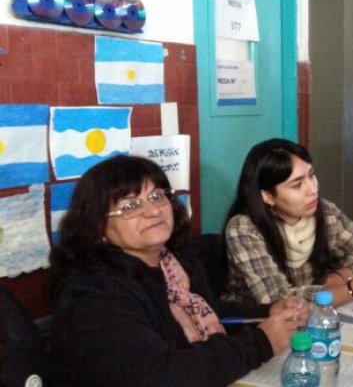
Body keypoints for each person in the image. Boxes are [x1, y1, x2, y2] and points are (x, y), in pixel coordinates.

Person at [47, 155, 307, 387]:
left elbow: (212, 312)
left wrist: (267, 312)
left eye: (157, 196)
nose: (152, 211)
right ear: (97, 227)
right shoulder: (94, 294)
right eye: (130, 206)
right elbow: (164, 374)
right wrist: (262, 341)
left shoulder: (172, 263)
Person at [222, 138, 353, 308]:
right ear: (267, 196)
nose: (313, 189)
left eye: (311, 176)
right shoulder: (244, 228)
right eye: (297, 185)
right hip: (259, 326)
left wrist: (340, 276)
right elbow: (280, 301)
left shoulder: (325, 211)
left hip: (318, 316)